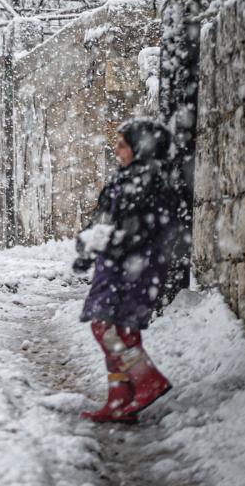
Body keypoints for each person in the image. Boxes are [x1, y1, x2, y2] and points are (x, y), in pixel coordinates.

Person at [74, 118, 179, 423]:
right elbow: (105, 219)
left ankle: (146, 380)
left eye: (123, 144)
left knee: (105, 328)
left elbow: (137, 230)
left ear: (141, 147)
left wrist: (109, 242)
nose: (116, 150)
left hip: (131, 269)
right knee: (122, 330)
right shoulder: (128, 179)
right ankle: (119, 397)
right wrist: (88, 244)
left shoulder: (147, 183)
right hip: (120, 265)